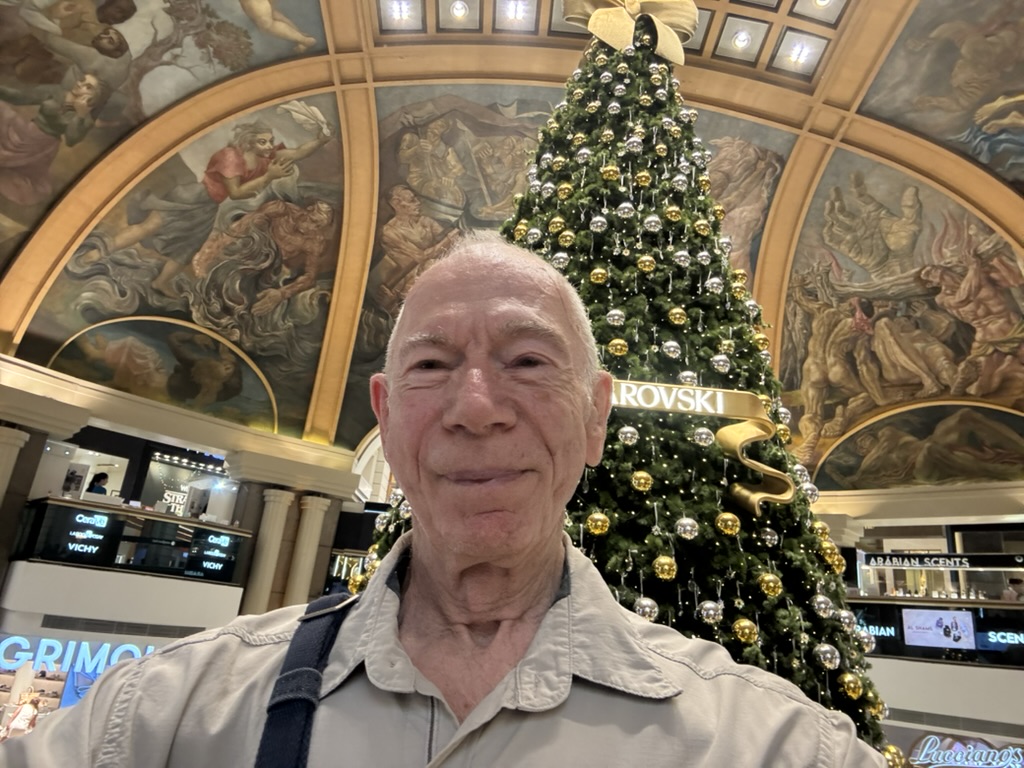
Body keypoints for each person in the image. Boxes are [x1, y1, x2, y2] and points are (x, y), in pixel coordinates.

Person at [0, 232, 886, 766]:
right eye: (432, 364)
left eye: (527, 361)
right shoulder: (171, 716)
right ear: (386, 417)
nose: (476, 408)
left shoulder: (765, 742)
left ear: (595, 417)